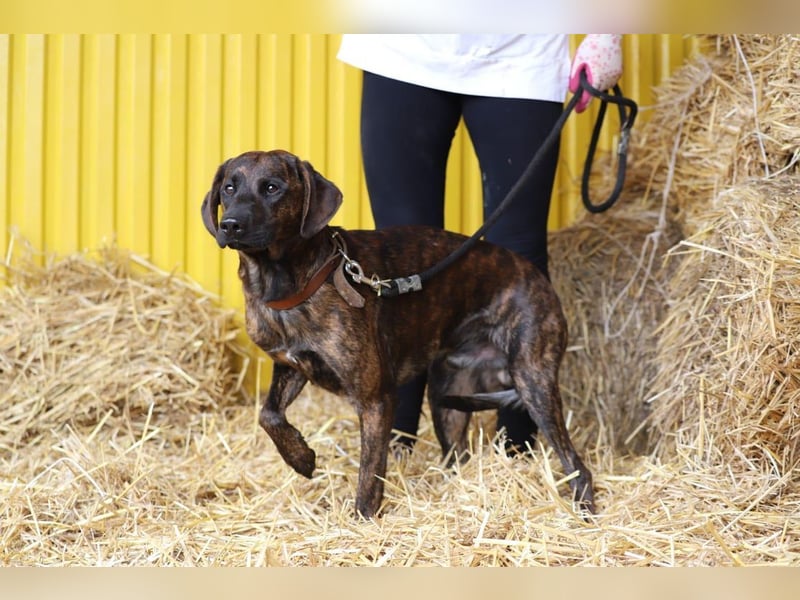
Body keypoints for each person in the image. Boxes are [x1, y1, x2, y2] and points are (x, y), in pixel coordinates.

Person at [337, 34, 623, 452]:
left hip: (522, 48)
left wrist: (605, 30)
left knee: (518, 255)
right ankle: (395, 445)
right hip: (400, 47)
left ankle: (518, 451)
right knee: (399, 257)